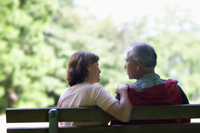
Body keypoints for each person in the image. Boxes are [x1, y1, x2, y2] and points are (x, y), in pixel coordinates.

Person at [111, 42, 190, 125]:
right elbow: (186, 121)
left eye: (127, 61)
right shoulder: (176, 90)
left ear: (137, 64)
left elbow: (115, 125)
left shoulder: (125, 95)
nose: (125, 66)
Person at [57, 51, 132, 126]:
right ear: (88, 67)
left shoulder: (64, 94)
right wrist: (123, 90)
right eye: (97, 65)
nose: (100, 70)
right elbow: (124, 116)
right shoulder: (95, 90)